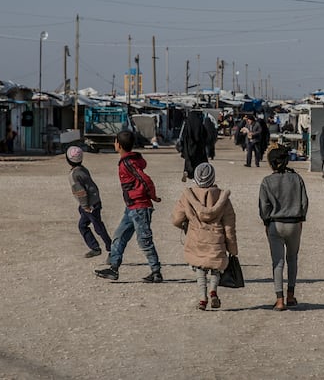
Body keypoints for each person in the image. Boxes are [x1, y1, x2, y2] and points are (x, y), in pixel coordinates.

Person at [95, 130, 163, 283]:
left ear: (118, 145)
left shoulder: (127, 163)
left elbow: (145, 179)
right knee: (120, 236)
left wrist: (153, 196)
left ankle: (156, 272)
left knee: (144, 240)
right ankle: (113, 268)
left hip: (139, 207)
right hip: (131, 207)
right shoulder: (129, 160)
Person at [171, 162, 238, 311]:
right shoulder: (222, 198)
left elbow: (176, 219)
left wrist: (184, 225)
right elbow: (229, 227)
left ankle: (202, 298)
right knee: (215, 267)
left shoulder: (188, 196)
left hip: (196, 238)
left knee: (199, 267)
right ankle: (213, 291)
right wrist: (232, 249)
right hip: (216, 240)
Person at [259, 145, 309, 311]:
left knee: (277, 262)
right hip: (294, 223)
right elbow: (304, 202)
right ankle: (290, 295)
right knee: (292, 258)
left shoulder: (267, 181)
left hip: (275, 223)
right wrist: (301, 218)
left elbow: (264, 207)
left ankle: (279, 300)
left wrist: (266, 223)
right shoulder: (297, 179)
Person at [66, 146, 112, 259]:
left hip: (90, 205)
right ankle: (95, 247)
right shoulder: (83, 169)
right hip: (94, 201)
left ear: (67, 160)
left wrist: (85, 206)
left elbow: (81, 192)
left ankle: (112, 249)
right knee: (83, 225)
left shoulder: (73, 175)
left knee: (98, 227)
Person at [179, 110, 208, 182]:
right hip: (198, 147)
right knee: (198, 162)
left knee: (189, 161)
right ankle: (196, 176)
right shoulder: (199, 123)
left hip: (188, 147)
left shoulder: (187, 123)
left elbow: (183, 136)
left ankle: (187, 171)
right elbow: (205, 134)